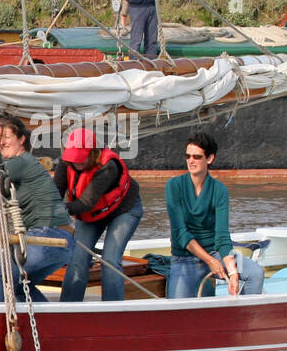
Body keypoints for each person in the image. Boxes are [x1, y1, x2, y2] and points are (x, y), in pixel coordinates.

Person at [0, 114, 72, 302]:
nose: (1, 142)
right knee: (18, 286)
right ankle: (46, 327)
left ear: (21, 139)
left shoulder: (20, 162)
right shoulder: (26, 166)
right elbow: (2, 207)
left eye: (7, 137)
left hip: (46, 238)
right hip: (62, 243)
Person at [165, 132, 264, 298]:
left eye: (197, 156)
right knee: (178, 312)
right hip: (184, 258)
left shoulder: (219, 190)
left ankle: (243, 319)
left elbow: (222, 236)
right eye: (187, 156)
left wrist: (232, 272)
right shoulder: (173, 186)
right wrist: (211, 262)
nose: (190, 161)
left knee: (255, 273)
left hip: (214, 253)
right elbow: (180, 234)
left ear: (209, 159)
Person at [54, 127, 143, 302]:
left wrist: (59, 210)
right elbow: (54, 193)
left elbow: (85, 203)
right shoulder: (66, 163)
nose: (76, 162)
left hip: (123, 210)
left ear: (94, 153)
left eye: (81, 157)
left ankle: (113, 312)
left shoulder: (108, 166)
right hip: (92, 214)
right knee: (77, 258)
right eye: (73, 158)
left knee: (110, 260)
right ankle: (69, 310)